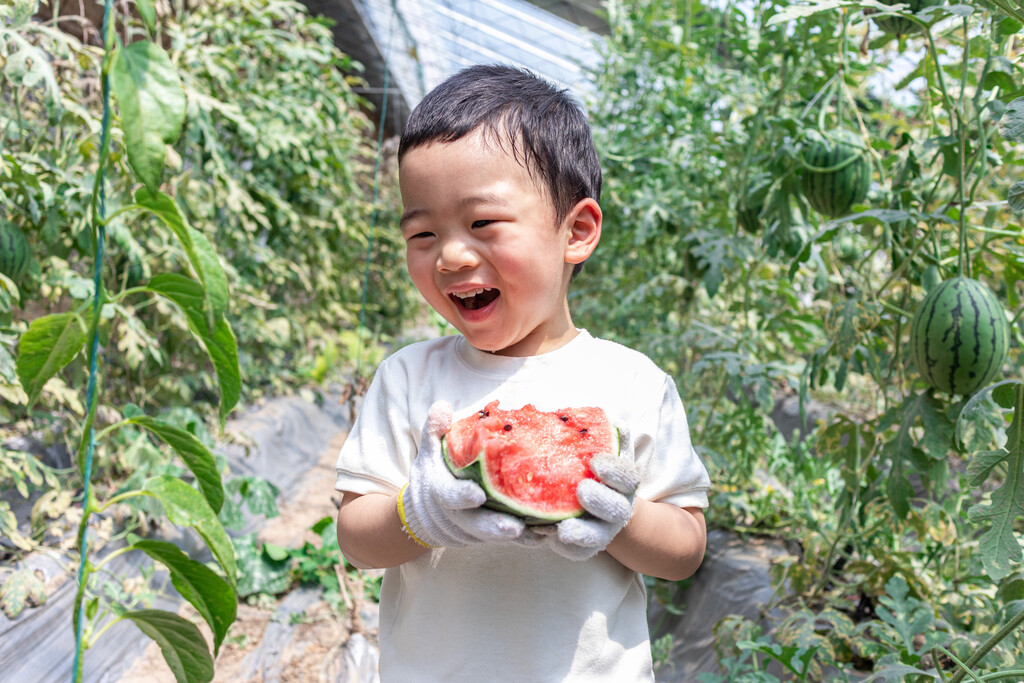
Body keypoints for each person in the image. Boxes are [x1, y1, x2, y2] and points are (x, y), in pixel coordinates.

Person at [335, 63, 710, 681]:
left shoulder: (634, 383)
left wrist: (624, 517)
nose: (451, 255)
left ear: (577, 231)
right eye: (423, 233)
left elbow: (684, 551)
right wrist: (417, 514)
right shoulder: (407, 379)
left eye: (483, 223)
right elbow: (355, 536)